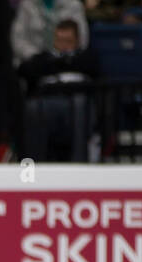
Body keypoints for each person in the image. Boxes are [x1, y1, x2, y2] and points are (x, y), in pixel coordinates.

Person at [18, 18, 99, 162]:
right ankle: (34, 164)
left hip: (76, 105)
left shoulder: (86, 57)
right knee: (33, 107)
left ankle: (78, 163)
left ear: (77, 40)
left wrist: (64, 63)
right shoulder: (44, 58)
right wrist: (61, 62)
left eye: (68, 41)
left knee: (79, 104)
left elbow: (93, 70)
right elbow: (26, 70)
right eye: (60, 40)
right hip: (49, 104)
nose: (63, 46)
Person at [10, 0, 88, 68]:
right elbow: (18, 39)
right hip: (33, 63)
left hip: (69, 63)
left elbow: (82, 38)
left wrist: (65, 56)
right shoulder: (27, 4)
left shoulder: (73, 4)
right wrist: (37, 57)